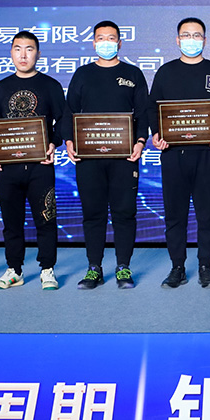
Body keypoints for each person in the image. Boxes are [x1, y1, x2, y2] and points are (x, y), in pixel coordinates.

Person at [64, 20, 150, 290]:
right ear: (93, 43)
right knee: (93, 213)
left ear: (120, 43)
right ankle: (94, 268)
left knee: (124, 212)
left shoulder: (133, 74)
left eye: (111, 38)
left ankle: (123, 267)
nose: (106, 43)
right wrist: (69, 140)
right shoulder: (82, 74)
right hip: (89, 158)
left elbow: (143, 113)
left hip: (125, 158)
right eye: (101, 38)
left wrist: (140, 141)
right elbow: (69, 112)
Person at [149, 17, 210, 289]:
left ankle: (205, 266)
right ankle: (177, 267)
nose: (191, 40)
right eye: (186, 35)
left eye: (196, 35)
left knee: (207, 215)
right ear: (177, 39)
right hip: (173, 155)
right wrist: (156, 134)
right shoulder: (166, 72)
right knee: (175, 215)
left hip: (207, 154)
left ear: (204, 40)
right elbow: (153, 108)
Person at [0, 31, 64, 291]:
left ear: (38, 53)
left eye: (29, 49)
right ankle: (14, 270)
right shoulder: (2, 87)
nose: (23, 55)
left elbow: (63, 120)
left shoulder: (50, 85)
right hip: (8, 167)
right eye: (18, 49)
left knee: (46, 219)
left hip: (40, 166)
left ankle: (47, 269)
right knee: (11, 222)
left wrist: (53, 143)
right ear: (11, 53)